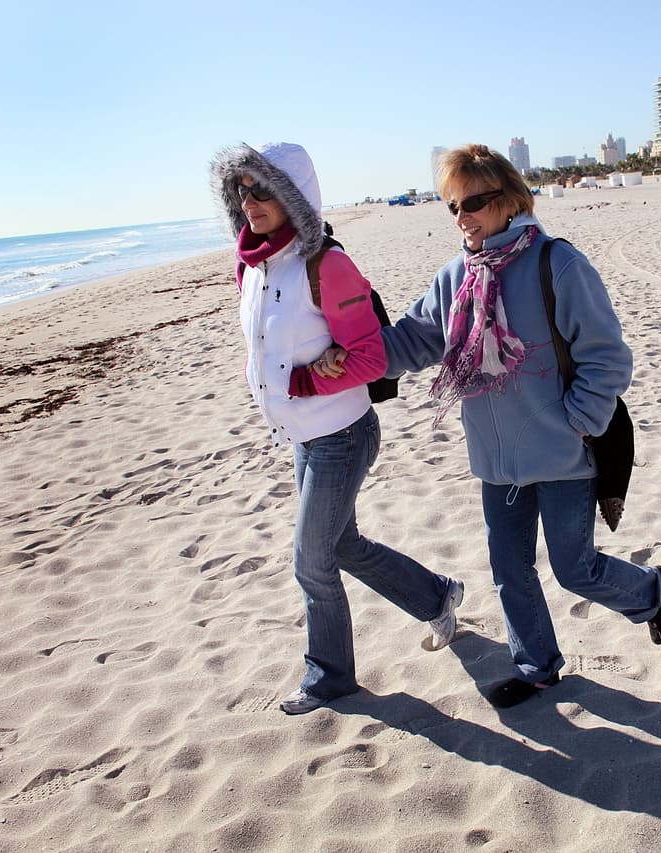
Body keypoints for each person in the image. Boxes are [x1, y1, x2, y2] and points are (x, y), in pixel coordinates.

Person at [325, 144, 661, 708]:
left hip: (564, 456)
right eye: (453, 207)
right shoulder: (455, 279)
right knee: (510, 572)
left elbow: (608, 358)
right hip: (496, 463)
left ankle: (653, 593)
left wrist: (576, 424)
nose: (463, 217)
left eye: (475, 203)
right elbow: (414, 341)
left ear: (509, 200)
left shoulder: (557, 264)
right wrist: (349, 353)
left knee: (575, 570)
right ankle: (537, 666)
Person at [209, 141, 464, 715]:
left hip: (342, 435)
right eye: (242, 190)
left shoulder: (327, 264)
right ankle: (436, 595)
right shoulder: (251, 265)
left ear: (295, 194)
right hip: (303, 436)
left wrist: (306, 382)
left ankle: (329, 677)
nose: (250, 201)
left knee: (311, 560)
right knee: (341, 544)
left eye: (264, 189)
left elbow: (372, 358)